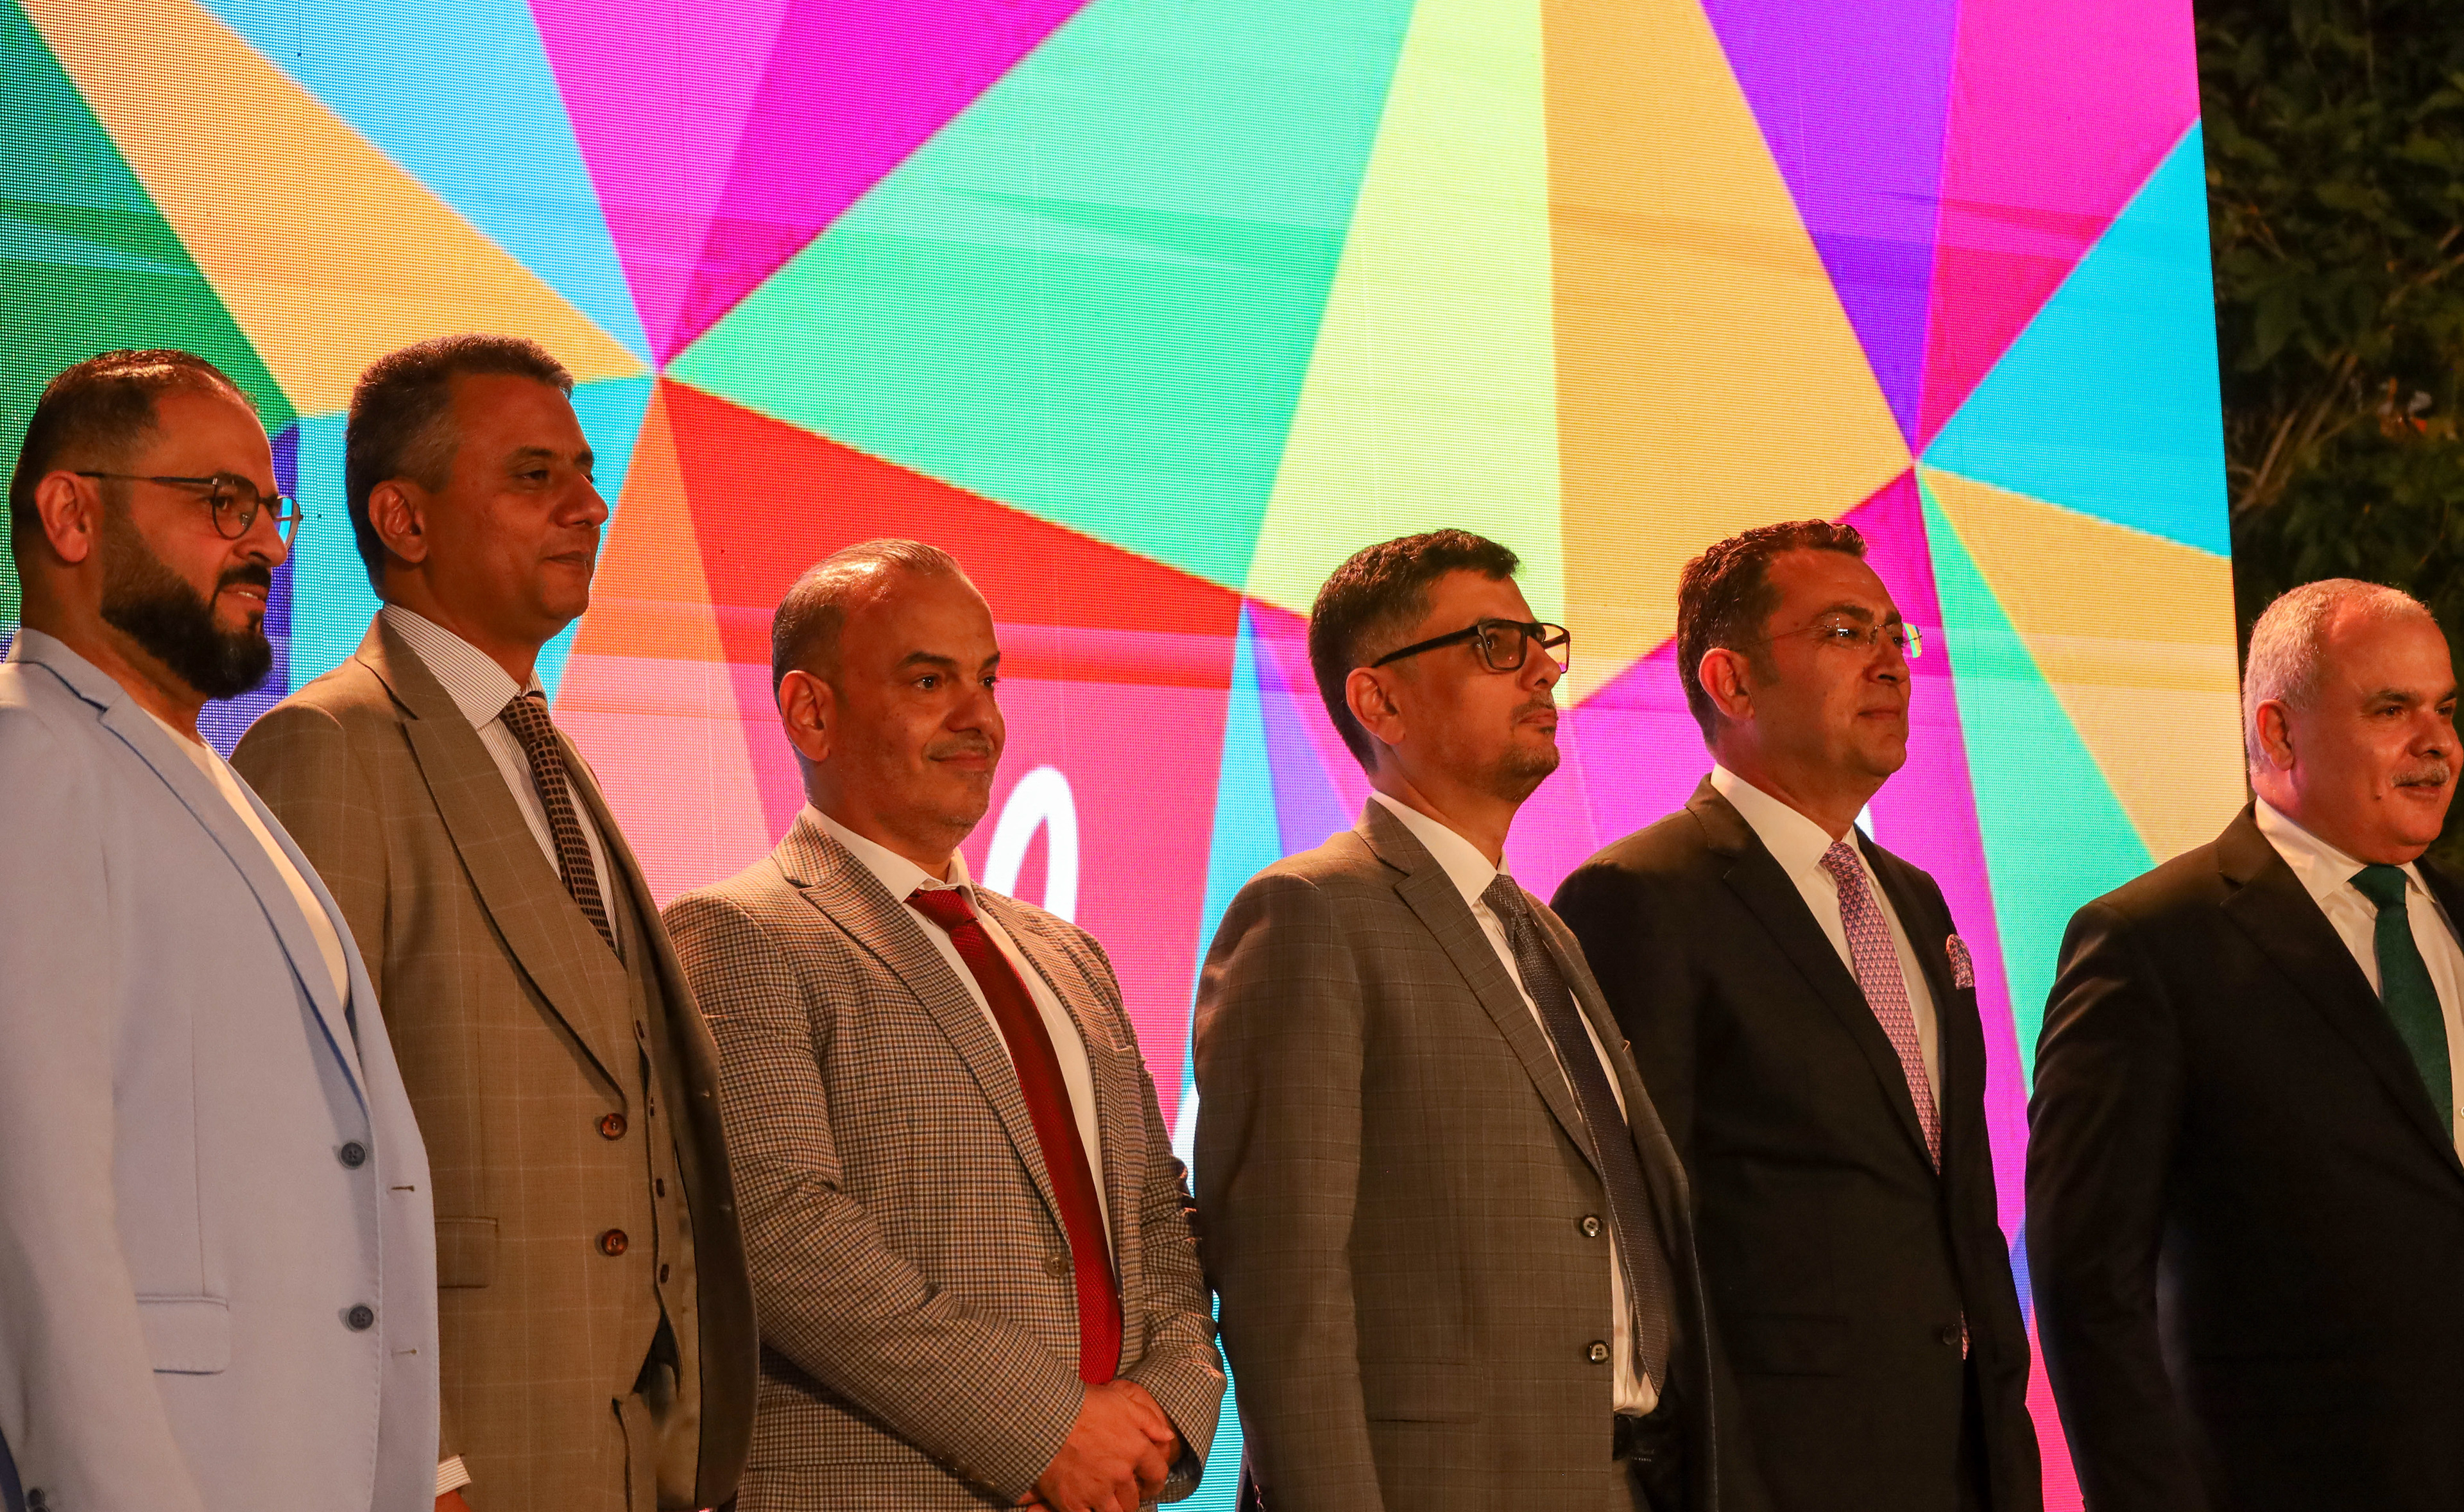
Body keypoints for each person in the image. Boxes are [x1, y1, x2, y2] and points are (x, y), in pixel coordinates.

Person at [230, 335, 755, 1512]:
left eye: (586, 471)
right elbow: (287, 1148)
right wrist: (416, 1460)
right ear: (405, 521)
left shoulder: (552, 758)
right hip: (466, 1460)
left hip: (634, 1462)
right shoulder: (326, 747)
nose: (590, 505)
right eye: (534, 476)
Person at [1194, 529, 1749, 1512]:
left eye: (1542, 641)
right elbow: (1283, 1288)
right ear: (1380, 701)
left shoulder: (1542, 929)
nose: (1542, 669)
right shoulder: (1311, 913)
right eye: (1495, 644)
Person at [663, 540, 1223, 1511]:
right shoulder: (740, 932)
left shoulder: (1067, 954)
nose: (981, 719)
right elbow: (780, 1230)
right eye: (930, 681)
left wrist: (1169, 1407)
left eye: (987, 679)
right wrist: (1047, 1429)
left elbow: (1154, 1211)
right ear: (811, 712)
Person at [0, 349, 438, 1511]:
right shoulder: (27, 755)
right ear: (72, 514)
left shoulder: (204, 771)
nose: (270, 547)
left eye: (272, 508)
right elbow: (30, 1202)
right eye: (223, 503)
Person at [1552, 520, 2040, 1512]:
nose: (1890, 663)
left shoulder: (1916, 899)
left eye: (1895, 635)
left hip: (1966, 1458)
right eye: (1845, 633)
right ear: (1731, 682)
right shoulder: (1641, 897)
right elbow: (1633, 1237)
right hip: (1775, 1471)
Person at [2028, 578, 2464, 1512]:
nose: (2439, 744)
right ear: (2279, 732)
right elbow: (2088, 1288)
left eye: (2445, 709)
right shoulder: (2149, 944)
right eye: (2392, 710)